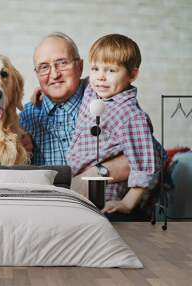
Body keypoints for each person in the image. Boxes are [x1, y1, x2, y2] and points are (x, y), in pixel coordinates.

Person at [66, 34, 160, 215]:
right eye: (95, 68)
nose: (100, 77)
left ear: (132, 74)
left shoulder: (131, 116)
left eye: (111, 71)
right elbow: (76, 83)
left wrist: (127, 203)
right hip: (78, 175)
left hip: (106, 189)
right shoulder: (92, 90)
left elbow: (145, 164)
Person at [20, 32, 130, 184]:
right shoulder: (26, 117)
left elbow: (151, 155)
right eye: (44, 67)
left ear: (80, 66)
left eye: (62, 63)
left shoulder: (106, 100)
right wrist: (20, 155)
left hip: (104, 206)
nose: (54, 74)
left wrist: (96, 174)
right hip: (48, 204)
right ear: (37, 74)